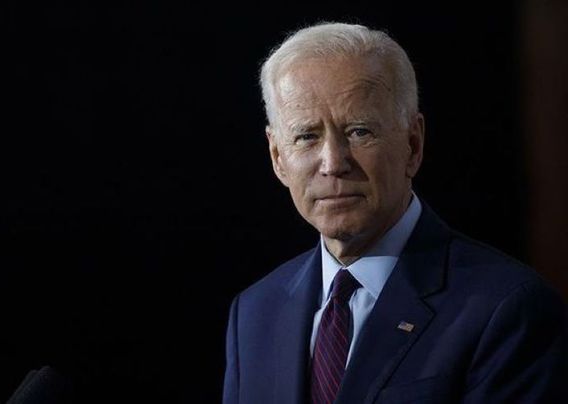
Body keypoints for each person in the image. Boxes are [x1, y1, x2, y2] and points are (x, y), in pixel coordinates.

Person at [223, 22, 568, 404]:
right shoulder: (255, 313)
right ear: (277, 157)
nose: (333, 162)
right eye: (307, 136)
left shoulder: (507, 309)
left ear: (413, 144)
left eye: (358, 131)